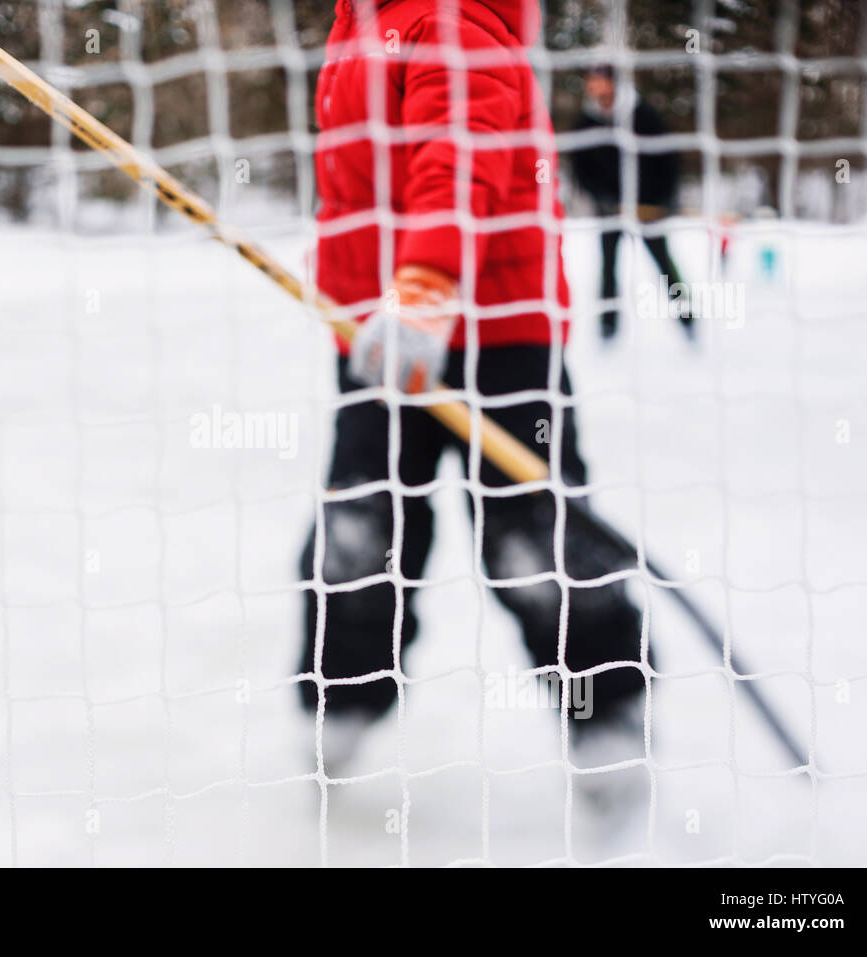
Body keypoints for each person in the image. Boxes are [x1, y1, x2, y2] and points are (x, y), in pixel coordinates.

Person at [299, 0, 653, 804]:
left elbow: (457, 158)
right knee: (360, 528)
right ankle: (343, 698)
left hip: (496, 334)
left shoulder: (449, 15)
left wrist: (424, 286)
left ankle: (605, 714)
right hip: (380, 340)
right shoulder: (358, 23)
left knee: (533, 540)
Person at [571, 64, 692, 339]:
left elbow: (668, 160)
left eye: (599, 81)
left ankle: (687, 317)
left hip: (648, 208)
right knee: (608, 267)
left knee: (663, 264)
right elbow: (581, 168)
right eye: (591, 81)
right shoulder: (586, 121)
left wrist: (661, 199)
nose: (593, 87)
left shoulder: (644, 115)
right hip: (610, 210)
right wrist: (601, 198)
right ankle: (608, 326)